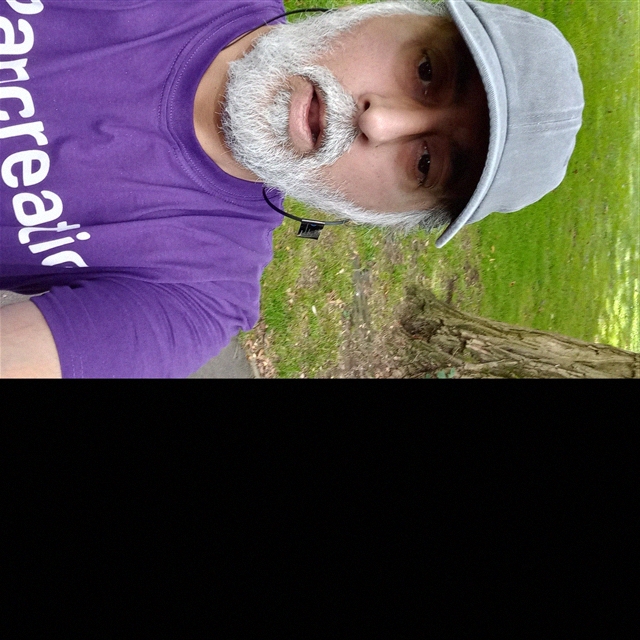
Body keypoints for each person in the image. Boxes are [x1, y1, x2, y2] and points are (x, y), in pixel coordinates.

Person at [0, 0, 584, 378]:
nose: (380, 122)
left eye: (426, 163)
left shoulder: (196, 296)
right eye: (426, 71)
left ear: (385, 215)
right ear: (385, 12)